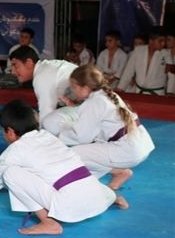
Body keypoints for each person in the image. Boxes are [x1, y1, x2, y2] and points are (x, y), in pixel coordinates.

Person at [0, 100, 122, 235]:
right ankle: (114, 197)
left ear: (10, 132)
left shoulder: (15, 150)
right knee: (68, 173)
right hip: (99, 199)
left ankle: (48, 223)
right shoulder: (49, 137)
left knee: (10, 174)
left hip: (72, 207)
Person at [57, 64, 154, 195]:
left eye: (74, 87)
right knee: (92, 149)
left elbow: (82, 137)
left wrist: (58, 137)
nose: (72, 90)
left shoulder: (94, 103)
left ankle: (90, 188)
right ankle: (119, 174)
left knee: (74, 153)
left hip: (128, 150)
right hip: (140, 145)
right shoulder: (107, 95)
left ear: (85, 88)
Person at [7, 46, 78, 136]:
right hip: (85, 107)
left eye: (15, 65)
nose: (13, 72)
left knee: (47, 122)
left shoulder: (42, 76)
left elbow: (47, 112)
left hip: (89, 112)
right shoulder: (45, 68)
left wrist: (39, 139)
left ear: (29, 63)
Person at [117, 28, 171, 95]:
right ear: (151, 41)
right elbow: (128, 72)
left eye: (164, 41)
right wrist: (120, 88)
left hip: (157, 93)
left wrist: (170, 92)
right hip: (139, 91)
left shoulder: (167, 54)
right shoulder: (138, 51)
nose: (163, 43)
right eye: (160, 41)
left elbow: (171, 76)